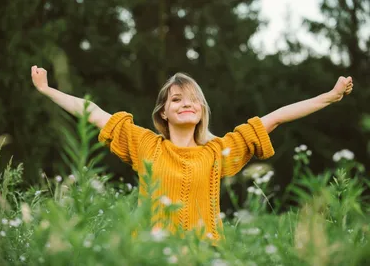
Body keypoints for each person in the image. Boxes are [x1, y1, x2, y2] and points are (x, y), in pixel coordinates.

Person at [31, 65, 353, 241]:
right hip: (151, 252)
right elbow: (94, 112)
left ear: (201, 111)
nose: (186, 103)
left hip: (205, 254)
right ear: (164, 114)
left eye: (192, 99)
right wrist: (47, 90)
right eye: (176, 99)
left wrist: (329, 97)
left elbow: (277, 116)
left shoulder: (218, 151)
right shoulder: (146, 145)